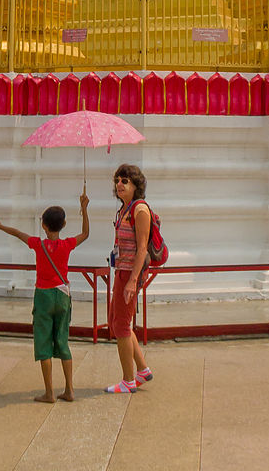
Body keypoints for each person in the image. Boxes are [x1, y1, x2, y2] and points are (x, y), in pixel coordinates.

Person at [0, 191, 89, 403]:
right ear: (63, 225)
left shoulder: (38, 244)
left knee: (43, 343)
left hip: (43, 296)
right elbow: (85, 234)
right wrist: (85, 208)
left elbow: (17, 233)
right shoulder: (67, 244)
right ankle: (70, 390)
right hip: (62, 295)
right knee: (62, 342)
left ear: (43, 225)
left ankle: (49, 393)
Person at [105, 163, 153, 394]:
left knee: (121, 326)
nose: (120, 185)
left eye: (125, 181)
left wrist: (133, 280)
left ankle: (127, 380)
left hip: (130, 273)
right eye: (117, 180)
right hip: (121, 270)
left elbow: (142, 247)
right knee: (116, 320)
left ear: (136, 185)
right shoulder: (125, 209)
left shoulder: (140, 210)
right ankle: (142, 370)